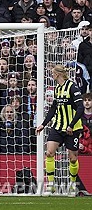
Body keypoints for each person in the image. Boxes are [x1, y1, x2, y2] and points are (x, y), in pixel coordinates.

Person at [36, 65, 85, 196]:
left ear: (58, 74)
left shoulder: (72, 87)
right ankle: (51, 185)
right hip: (57, 127)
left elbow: (80, 107)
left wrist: (71, 124)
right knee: (49, 153)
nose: (51, 75)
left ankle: (73, 185)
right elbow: (53, 109)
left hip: (72, 129)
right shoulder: (57, 89)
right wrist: (43, 124)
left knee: (73, 158)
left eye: (53, 73)